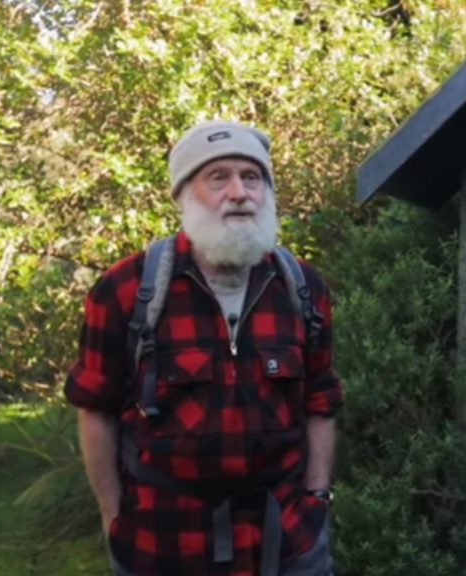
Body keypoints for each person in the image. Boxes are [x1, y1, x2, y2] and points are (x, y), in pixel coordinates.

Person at [65, 120, 342, 576]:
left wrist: (315, 500)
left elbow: (320, 399)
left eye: (251, 177)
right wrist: (113, 517)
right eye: (219, 177)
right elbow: (96, 408)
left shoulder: (302, 288)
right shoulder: (126, 289)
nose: (238, 192)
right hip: (164, 543)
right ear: (183, 194)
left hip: (287, 540)